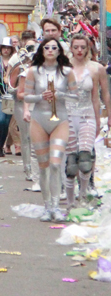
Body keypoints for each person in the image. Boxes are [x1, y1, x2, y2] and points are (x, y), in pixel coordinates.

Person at [23, 36, 77, 222]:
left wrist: (60, 94)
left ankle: (56, 206)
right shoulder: (33, 71)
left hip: (60, 120)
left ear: (60, 51)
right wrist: (41, 96)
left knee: (56, 164)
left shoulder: (67, 72)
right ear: (42, 50)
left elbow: (76, 95)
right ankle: (47, 206)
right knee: (44, 166)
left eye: (55, 47)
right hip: (39, 120)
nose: (51, 50)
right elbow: (26, 96)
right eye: (47, 47)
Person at [66, 33, 100, 206]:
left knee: (86, 157)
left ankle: (84, 194)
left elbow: (96, 98)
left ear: (88, 49)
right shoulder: (64, 68)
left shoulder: (94, 69)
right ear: (71, 49)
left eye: (83, 47)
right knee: (71, 162)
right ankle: (71, 201)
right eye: (76, 47)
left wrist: (99, 120)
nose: (79, 50)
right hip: (68, 117)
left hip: (87, 116)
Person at [8, 31, 38, 183]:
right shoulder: (18, 64)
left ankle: (36, 167)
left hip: (38, 106)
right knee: (26, 137)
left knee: (36, 139)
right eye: (29, 48)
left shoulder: (42, 68)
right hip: (22, 105)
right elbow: (11, 86)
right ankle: (28, 168)